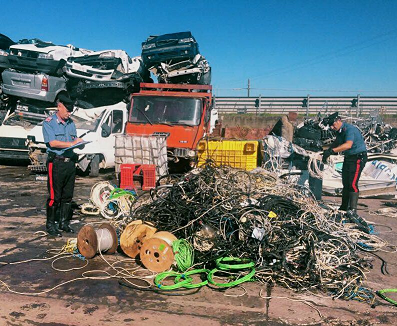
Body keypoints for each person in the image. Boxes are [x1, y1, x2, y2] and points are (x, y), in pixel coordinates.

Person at [43, 94, 84, 236]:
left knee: (67, 196)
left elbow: (73, 140)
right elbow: (52, 143)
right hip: (56, 163)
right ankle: (51, 224)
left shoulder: (70, 123)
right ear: (59, 106)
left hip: (70, 163)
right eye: (67, 110)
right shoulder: (49, 123)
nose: (69, 113)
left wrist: (79, 143)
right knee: (55, 196)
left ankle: (63, 223)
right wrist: (72, 143)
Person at [321, 112, 367, 213]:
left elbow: (347, 145)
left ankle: (352, 209)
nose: (332, 127)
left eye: (333, 125)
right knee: (345, 183)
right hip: (349, 157)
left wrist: (332, 151)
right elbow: (337, 142)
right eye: (331, 126)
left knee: (352, 184)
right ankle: (344, 207)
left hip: (357, 158)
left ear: (339, 120)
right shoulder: (340, 131)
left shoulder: (349, 129)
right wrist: (326, 151)